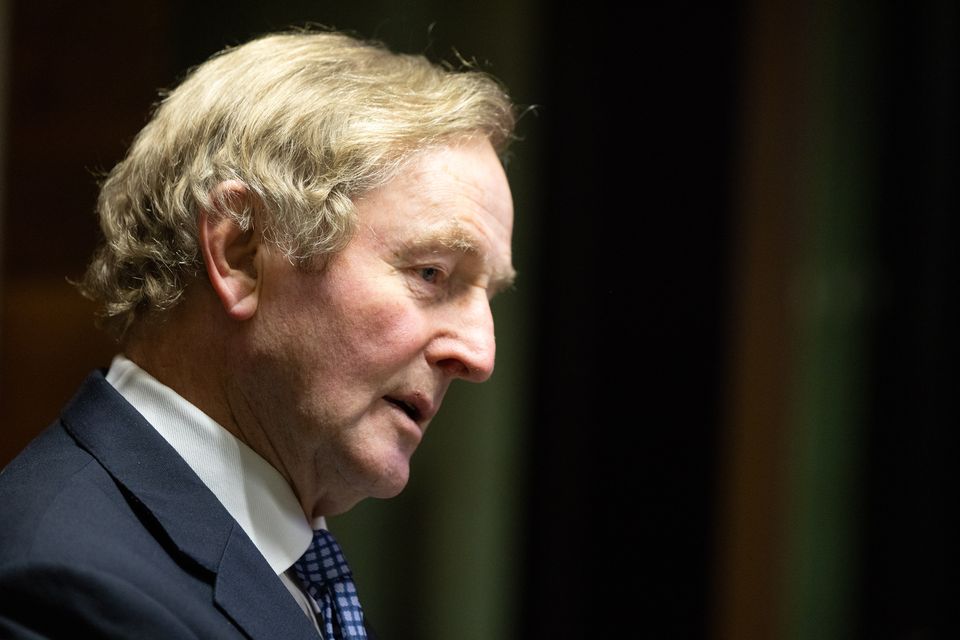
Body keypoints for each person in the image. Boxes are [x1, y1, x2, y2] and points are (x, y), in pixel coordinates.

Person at [0, 29, 517, 639]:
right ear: (241, 252)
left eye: (489, 295)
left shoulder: (297, 571)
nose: (479, 355)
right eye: (431, 273)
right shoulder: (62, 590)